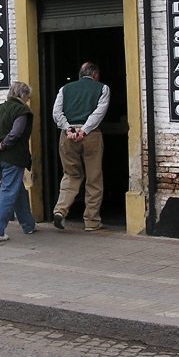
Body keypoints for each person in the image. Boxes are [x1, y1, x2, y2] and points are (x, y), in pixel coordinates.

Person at [51, 61, 110, 232]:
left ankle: (60, 211)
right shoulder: (103, 88)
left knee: (70, 174)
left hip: (67, 136)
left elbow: (57, 113)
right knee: (94, 178)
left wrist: (68, 129)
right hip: (91, 136)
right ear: (95, 75)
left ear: (80, 74)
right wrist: (84, 131)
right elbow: (99, 112)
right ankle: (91, 221)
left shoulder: (64, 89)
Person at [0, 80, 37, 242]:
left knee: (17, 189)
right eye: (27, 96)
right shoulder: (22, 111)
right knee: (8, 192)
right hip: (13, 157)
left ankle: (28, 224)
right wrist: (3, 145)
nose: (28, 100)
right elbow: (16, 133)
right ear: (22, 95)